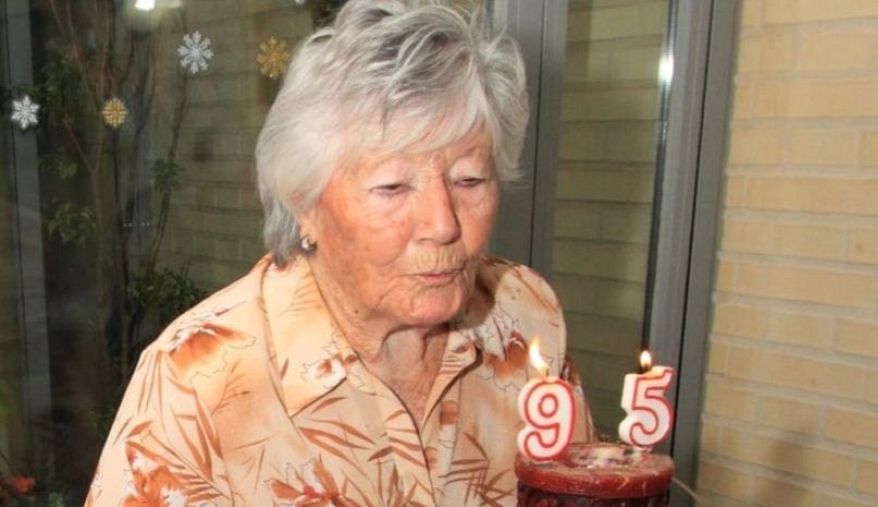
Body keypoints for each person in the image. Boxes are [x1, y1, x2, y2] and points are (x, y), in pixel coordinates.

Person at [87, 1, 592, 505]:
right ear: (303, 202)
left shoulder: (525, 316)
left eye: (470, 180)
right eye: (393, 187)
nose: (443, 224)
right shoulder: (196, 386)